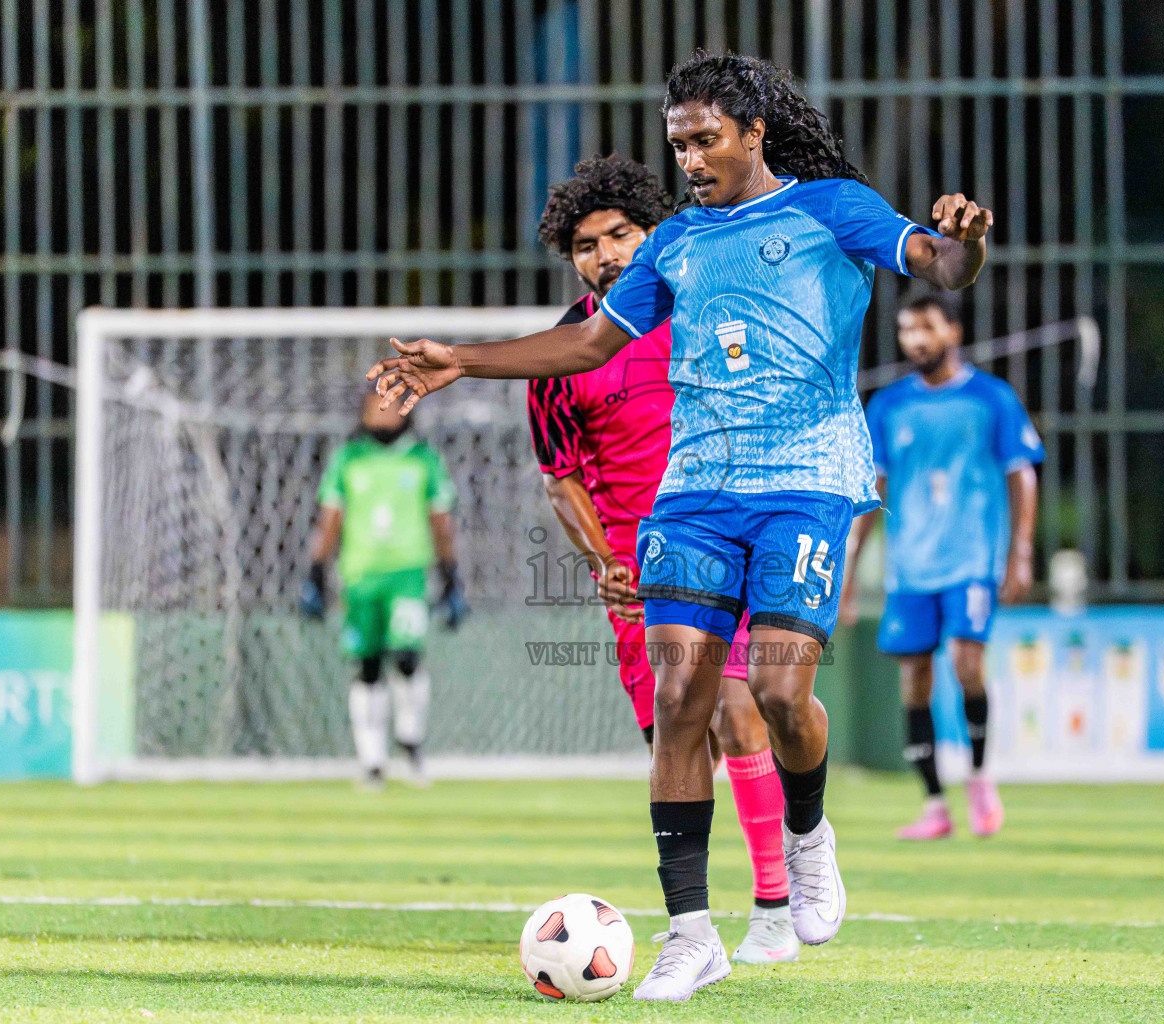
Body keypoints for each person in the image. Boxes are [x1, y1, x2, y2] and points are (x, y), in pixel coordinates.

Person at [368, 52, 992, 1001]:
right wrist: (460, 358)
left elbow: (939, 265)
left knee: (782, 696)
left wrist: (964, 239)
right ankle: (692, 932)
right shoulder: (677, 245)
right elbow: (587, 341)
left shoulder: (832, 207)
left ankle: (809, 838)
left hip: (807, 479)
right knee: (682, 700)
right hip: (696, 490)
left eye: (705, 140)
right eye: (679, 144)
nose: (691, 159)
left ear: (753, 134)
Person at [529, 153, 797, 964]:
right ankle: (701, 928)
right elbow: (560, 478)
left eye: (620, 234)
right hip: (636, 575)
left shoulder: (708, 315)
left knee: (736, 707)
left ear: (652, 234)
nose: (604, 253)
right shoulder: (561, 357)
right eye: (585, 243)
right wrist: (602, 558)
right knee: (680, 743)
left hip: (725, 546)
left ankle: (776, 909)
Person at [844, 291, 1042, 840]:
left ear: (952, 331)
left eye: (926, 327)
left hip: (972, 559)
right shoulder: (888, 406)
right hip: (910, 567)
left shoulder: (991, 398)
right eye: (907, 330)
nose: (915, 340)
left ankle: (978, 777)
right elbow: (873, 489)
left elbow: (1022, 473)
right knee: (914, 679)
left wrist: (1020, 553)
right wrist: (850, 570)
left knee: (967, 663)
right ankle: (934, 803)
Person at [303, 388, 467, 788]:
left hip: (408, 574)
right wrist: (315, 572)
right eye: (373, 406)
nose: (381, 413)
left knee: (408, 656)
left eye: (390, 405)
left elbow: (440, 519)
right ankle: (372, 761)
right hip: (359, 576)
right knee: (368, 664)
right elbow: (330, 518)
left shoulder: (424, 459)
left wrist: (450, 574)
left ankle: (411, 743)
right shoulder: (348, 459)